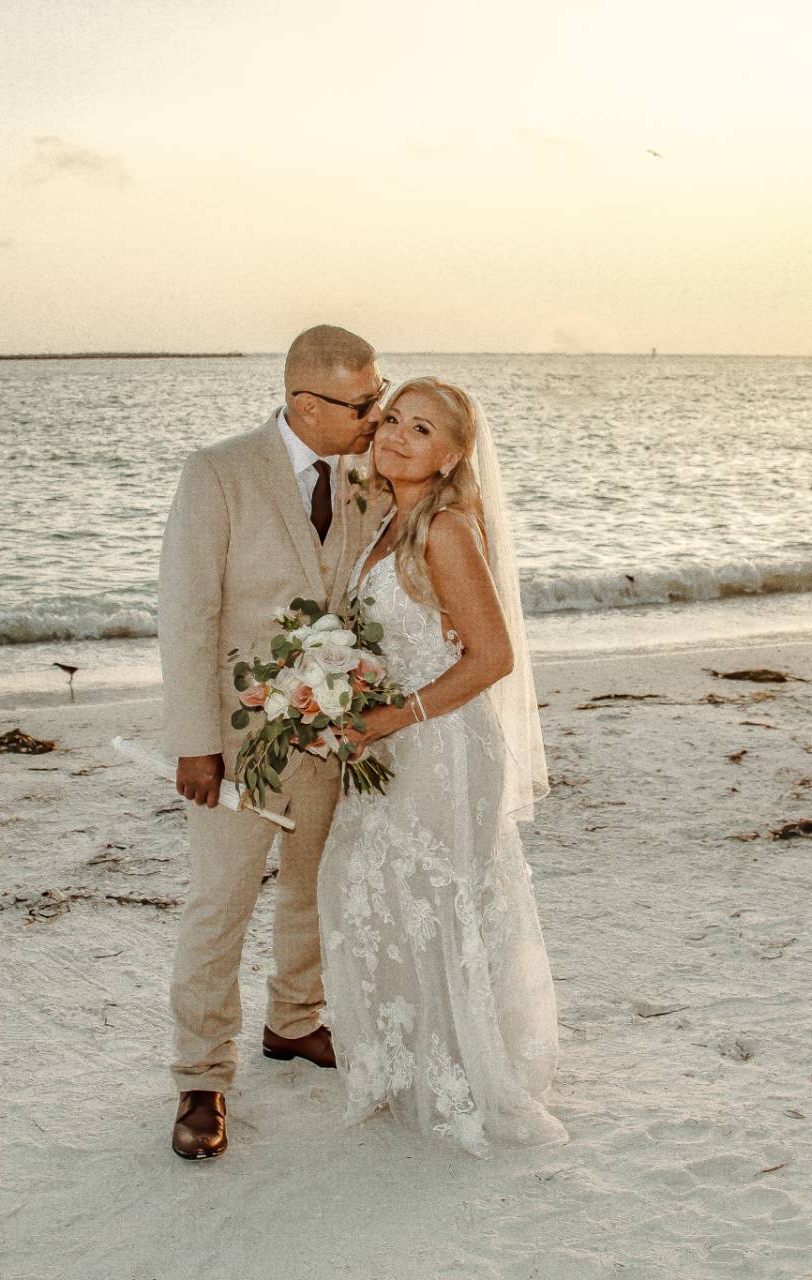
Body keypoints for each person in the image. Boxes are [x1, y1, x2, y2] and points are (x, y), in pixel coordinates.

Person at [155, 324, 391, 1159]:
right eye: (364, 403)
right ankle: (200, 1077)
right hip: (235, 735)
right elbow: (187, 613)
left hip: (334, 734)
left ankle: (294, 1022)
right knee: (220, 903)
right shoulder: (218, 472)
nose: (379, 414)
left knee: (313, 887)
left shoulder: (373, 474)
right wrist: (195, 742)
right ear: (305, 402)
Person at [321, 376, 568, 1156]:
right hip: (392, 745)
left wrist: (393, 715)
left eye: (420, 429)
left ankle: (461, 1073)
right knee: (379, 888)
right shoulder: (390, 519)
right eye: (392, 419)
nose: (395, 436)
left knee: (438, 896)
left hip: (443, 747)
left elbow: (493, 656)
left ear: (456, 453)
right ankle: (410, 1061)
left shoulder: (448, 527)